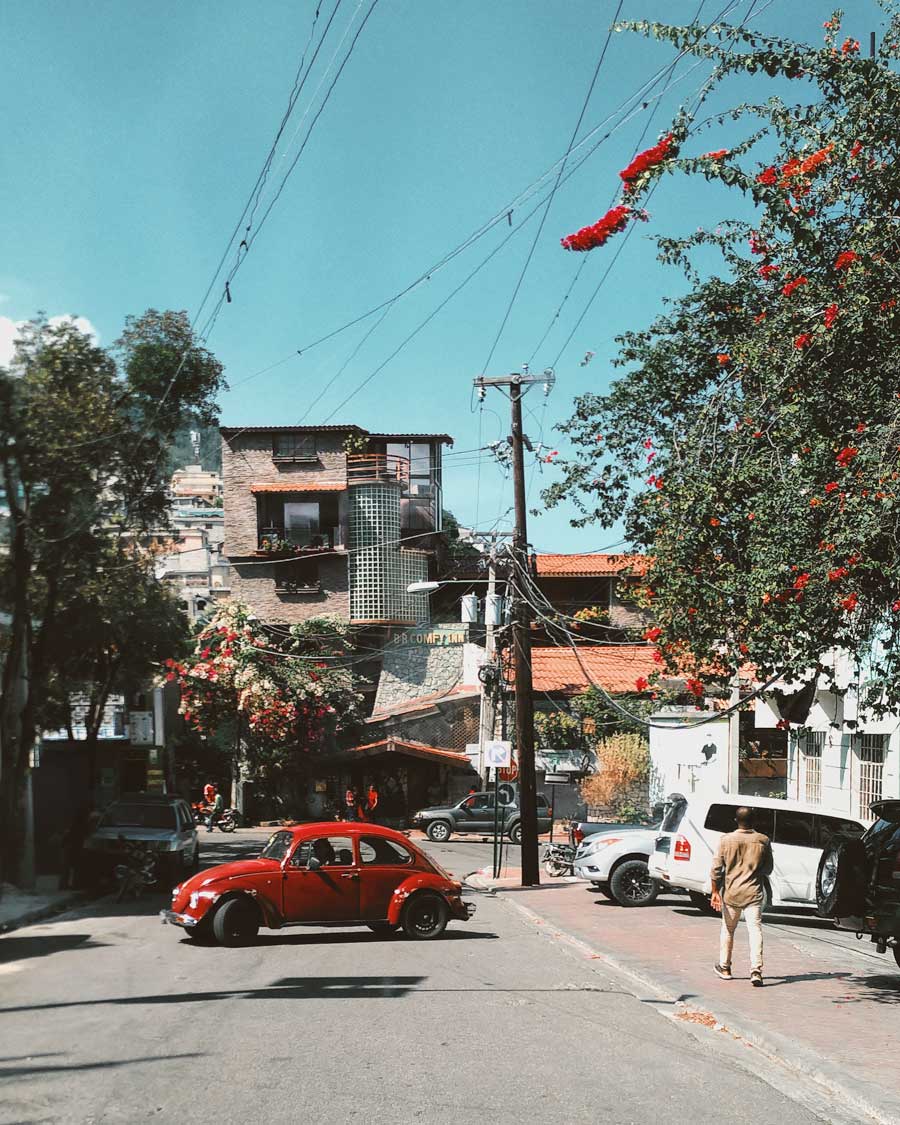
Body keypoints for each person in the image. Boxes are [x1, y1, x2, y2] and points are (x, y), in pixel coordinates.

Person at [710, 806, 774, 987]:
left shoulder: (725, 840)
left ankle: (725, 967)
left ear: (736, 820)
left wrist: (715, 891)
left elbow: (716, 869)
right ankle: (756, 971)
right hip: (753, 893)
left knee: (728, 930)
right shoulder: (763, 840)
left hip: (731, 893)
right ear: (754, 821)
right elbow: (768, 869)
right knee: (755, 930)